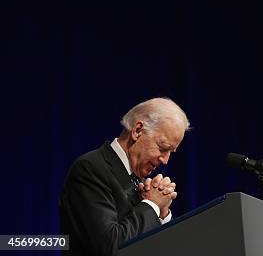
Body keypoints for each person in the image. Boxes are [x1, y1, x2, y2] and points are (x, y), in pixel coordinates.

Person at [59, 97, 190, 256]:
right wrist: (152, 205)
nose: (165, 160)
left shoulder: (141, 183)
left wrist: (161, 214)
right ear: (137, 131)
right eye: (162, 148)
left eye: (171, 152)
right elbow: (110, 247)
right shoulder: (91, 169)